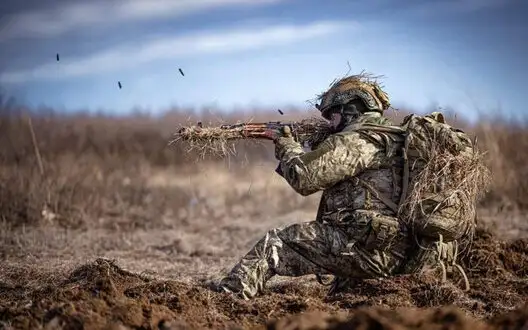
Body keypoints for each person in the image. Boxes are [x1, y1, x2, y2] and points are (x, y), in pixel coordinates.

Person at [213, 73, 471, 300]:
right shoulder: (393, 138)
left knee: (276, 243)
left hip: (373, 252)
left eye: (333, 114)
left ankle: (229, 297)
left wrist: (286, 146)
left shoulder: (359, 139)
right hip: (408, 253)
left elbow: (305, 177)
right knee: (343, 294)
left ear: (351, 108)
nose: (331, 122)